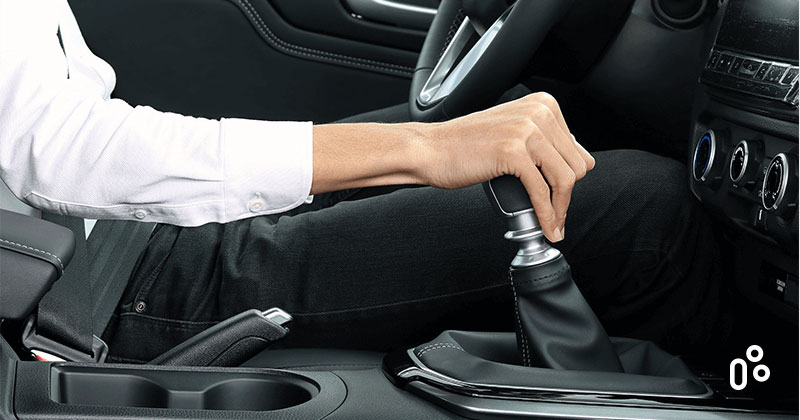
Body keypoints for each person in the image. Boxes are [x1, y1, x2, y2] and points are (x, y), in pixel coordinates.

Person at [0, 0, 726, 362]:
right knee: (647, 212)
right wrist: (423, 147)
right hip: (95, 284)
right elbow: (59, 151)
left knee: (535, 133)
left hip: (109, 236)